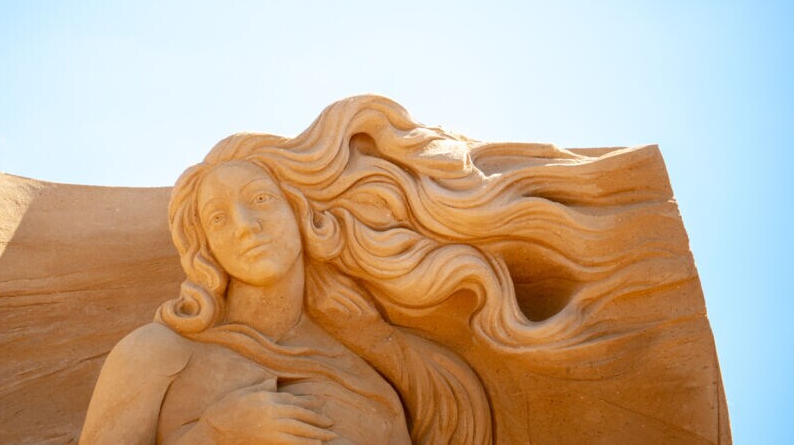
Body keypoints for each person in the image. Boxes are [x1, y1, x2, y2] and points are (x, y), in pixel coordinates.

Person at [81, 95, 661, 443]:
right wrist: (215, 434)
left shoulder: (369, 388)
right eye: (217, 217)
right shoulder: (157, 354)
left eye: (260, 200)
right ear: (205, 247)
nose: (245, 226)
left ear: (302, 214)